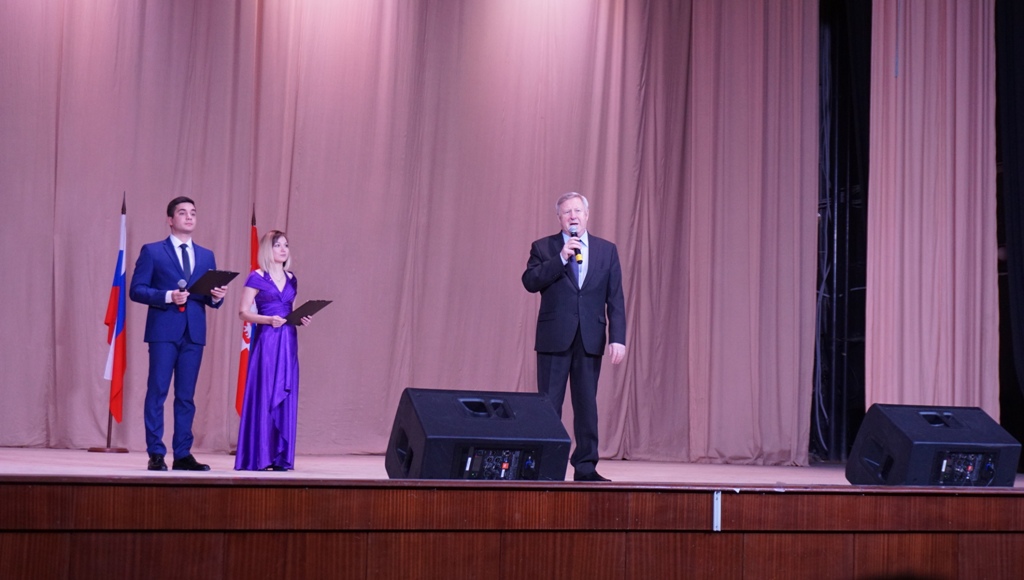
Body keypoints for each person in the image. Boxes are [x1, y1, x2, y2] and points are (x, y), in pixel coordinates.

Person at [522, 192, 626, 482]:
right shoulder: (544, 247)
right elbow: (530, 282)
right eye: (567, 212)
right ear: (559, 218)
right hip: (554, 338)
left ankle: (586, 467)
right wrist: (560, 258)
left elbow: (615, 298)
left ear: (587, 215)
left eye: (577, 211)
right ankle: (544, 468)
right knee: (549, 406)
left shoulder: (607, 251)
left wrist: (618, 337)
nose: (573, 216)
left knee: (586, 405)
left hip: (590, 338)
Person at [129, 196, 228, 471]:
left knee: (186, 396)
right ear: (170, 219)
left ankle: (183, 454)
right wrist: (168, 296)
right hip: (163, 330)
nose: (189, 217)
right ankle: (156, 453)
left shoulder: (206, 255)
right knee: (158, 391)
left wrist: (217, 296)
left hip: (194, 332)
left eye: (193, 212)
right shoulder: (153, 251)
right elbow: (136, 290)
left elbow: (208, 297)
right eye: (182, 213)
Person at [234, 230, 312, 471]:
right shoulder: (256, 277)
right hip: (267, 341)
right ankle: (260, 455)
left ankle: (280, 457)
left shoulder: (292, 278)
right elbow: (243, 312)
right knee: (266, 393)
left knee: (285, 393)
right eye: (278, 245)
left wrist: (301, 318)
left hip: (288, 341)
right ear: (268, 249)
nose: (283, 249)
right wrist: (268, 320)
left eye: (286, 245)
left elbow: (291, 311)